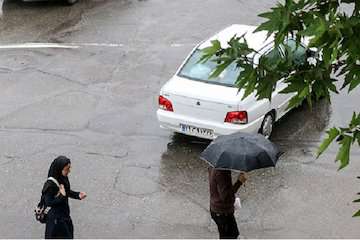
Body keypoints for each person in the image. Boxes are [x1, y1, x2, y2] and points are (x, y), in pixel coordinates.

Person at [42, 156, 87, 239]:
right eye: (67, 169)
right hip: (55, 220)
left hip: (64, 215)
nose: (69, 171)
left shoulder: (63, 177)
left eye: (69, 168)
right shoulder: (50, 185)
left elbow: (67, 191)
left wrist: (77, 195)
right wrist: (61, 196)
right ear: (59, 169)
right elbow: (49, 202)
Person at [208, 167, 247, 239]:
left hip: (216, 209)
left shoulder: (215, 166)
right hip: (223, 213)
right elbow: (226, 197)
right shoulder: (222, 172)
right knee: (231, 236)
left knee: (229, 235)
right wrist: (239, 182)